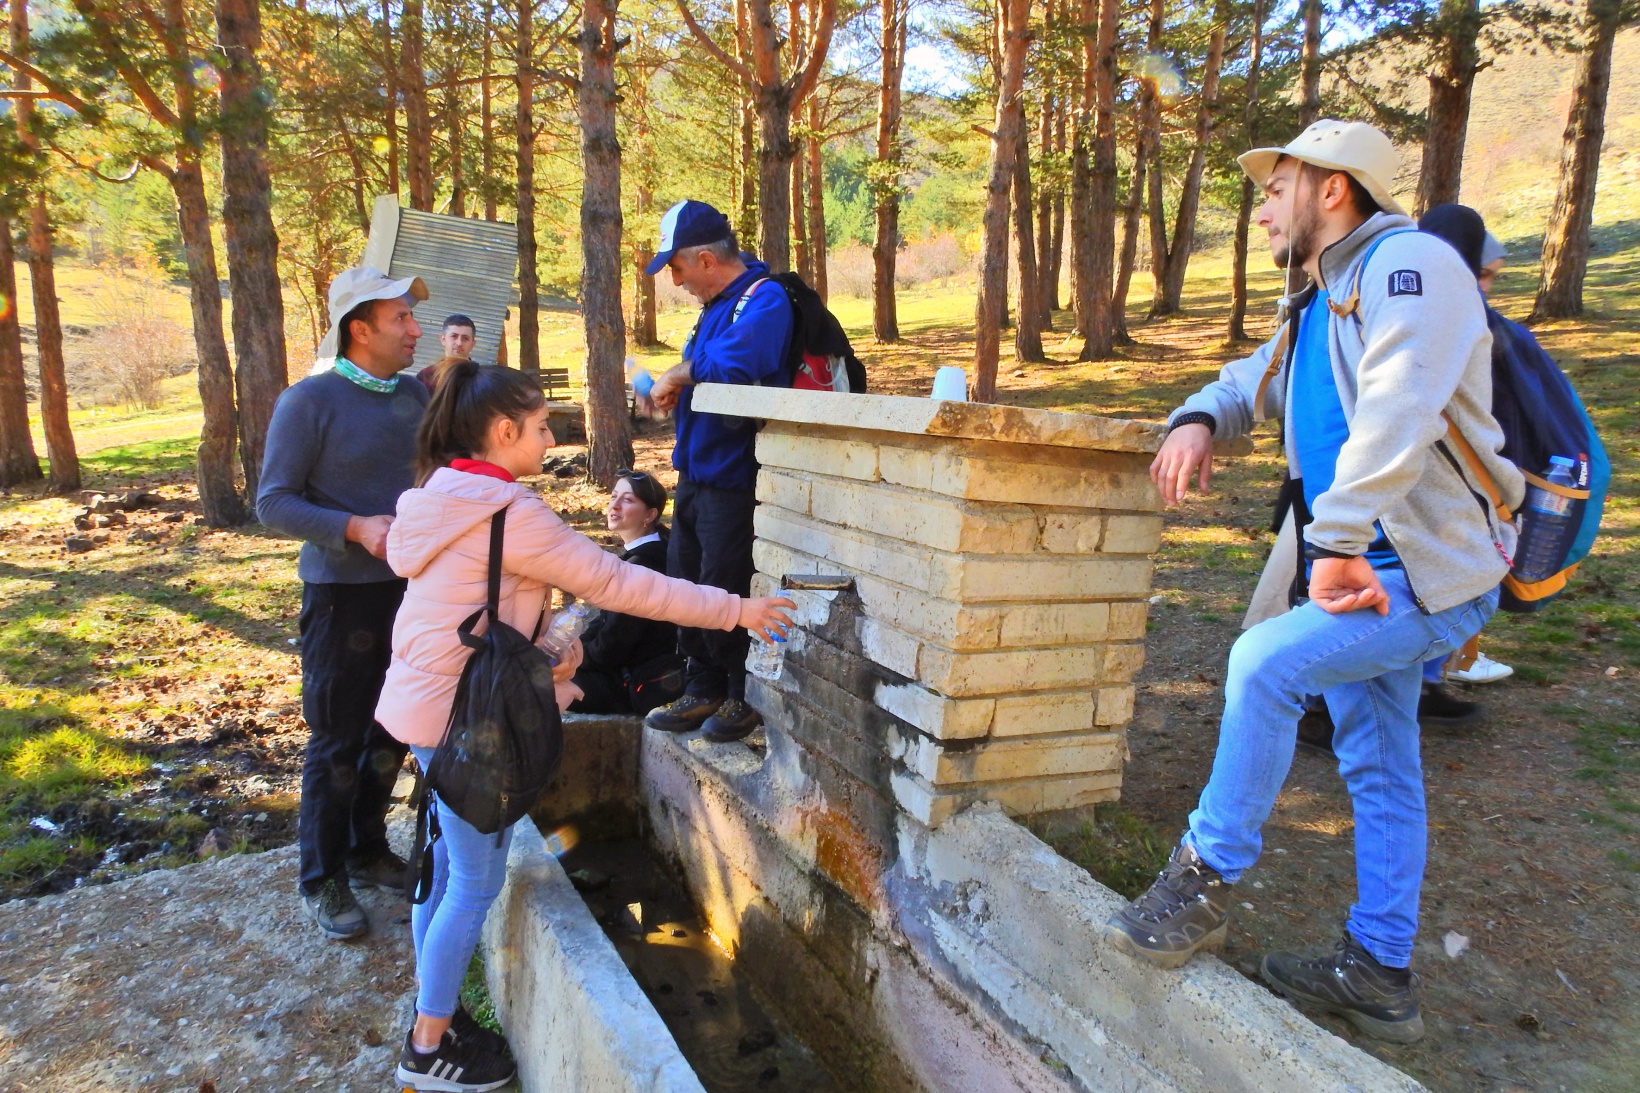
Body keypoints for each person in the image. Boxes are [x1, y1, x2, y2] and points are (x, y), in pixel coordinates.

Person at [1105, 120, 1524, 1044]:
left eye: (1273, 188)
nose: (1260, 212)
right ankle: (1377, 971)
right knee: (1380, 760)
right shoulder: (1320, 297)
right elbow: (1252, 377)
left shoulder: (1411, 268)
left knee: (1262, 664)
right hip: (1363, 567)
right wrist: (1196, 418)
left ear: (1333, 188)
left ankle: (1202, 880)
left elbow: (1401, 409)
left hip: (1422, 569)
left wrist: (1332, 541)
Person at [376, 362, 793, 1090]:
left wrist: (545, 644)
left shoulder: (440, 497)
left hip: (426, 705)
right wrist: (736, 609)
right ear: (504, 432)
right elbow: (626, 583)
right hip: (467, 719)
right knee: (473, 879)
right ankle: (427, 1046)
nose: (548, 438)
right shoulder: (508, 511)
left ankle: (430, 1009)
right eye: (540, 428)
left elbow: (460, 611)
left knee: (443, 868)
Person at [257, 266, 432, 941]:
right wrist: (355, 527)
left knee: (391, 730)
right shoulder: (308, 402)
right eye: (401, 319)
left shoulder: (414, 395)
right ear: (360, 329)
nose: (416, 329)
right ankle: (322, 876)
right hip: (340, 599)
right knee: (338, 737)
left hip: (411, 592)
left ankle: (366, 848)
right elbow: (273, 501)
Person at [642, 199, 794, 742]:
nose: (676, 281)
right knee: (685, 580)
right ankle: (700, 684)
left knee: (724, 583)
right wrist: (672, 390)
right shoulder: (715, 306)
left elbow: (733, 367)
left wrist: (678, 373)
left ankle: (738, 693)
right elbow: (706, 379)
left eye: (676, 268)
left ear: (705, 259)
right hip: (695, 475)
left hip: (737, 478)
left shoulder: (764, 299)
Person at [568, 470, 689, 715]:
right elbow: (605, 627)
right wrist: (574, 649)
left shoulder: (643, 565)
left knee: (540, 684)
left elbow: (613, 645)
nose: (615, 504)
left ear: (650, 515)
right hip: (629, 672)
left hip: (635, 685)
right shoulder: (646, 555)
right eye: (614, 496)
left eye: (628, 500)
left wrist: (575, 660)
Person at [419, 314, 481, 393]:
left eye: (465, 338)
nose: (459, 343)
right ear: (443, 339)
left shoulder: (481, 377)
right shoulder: (427, 376)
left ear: (473, 344)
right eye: (454, 336)